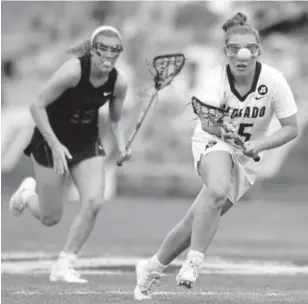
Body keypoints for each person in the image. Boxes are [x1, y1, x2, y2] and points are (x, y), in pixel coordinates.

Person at [133, 12, 299, 300]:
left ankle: (150, 268)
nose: (241, 55)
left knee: (196, 219)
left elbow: (290, 129)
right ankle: (194, 263)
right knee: (218, 189)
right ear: (226, 52)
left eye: (249, 49)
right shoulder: (215, 79)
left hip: (246, 157)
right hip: (213, 141)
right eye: (233, 49)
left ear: (258, 51)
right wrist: (228, 133)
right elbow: (210, 123)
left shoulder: (274, 81)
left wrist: (259, 145)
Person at [9, 25, 131, 283]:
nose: (109, 56)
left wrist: (121, 146)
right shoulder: (74, 71)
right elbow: (37, 106)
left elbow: (116, 119)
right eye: (103, 50)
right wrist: (54, 144)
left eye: (115, 50)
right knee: (50, 217)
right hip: (49, 140)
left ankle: (64, 265)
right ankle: (26, 195)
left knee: (94, 202)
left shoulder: (118, 81)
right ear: (92, 50)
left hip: (86, 142)